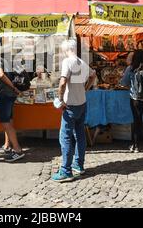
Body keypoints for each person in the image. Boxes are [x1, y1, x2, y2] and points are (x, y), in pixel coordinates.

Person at [51, 39, 96, 183]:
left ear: (65, 50)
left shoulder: (67, 62)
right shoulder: (81, 62)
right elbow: (93, 75)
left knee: (65, 137)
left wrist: (60, 99)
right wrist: (85, 88)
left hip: (70, 104)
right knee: (80, 134)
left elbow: (63, 82)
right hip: (81, 103)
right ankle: (78, 164)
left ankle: (66, 171)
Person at [120, 50, 143, 153]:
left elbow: (124, 83)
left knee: (136, 121)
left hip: (135, 98)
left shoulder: (130, 69)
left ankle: (135, 146)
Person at [0, 55, 25, 162]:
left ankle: (18, 150)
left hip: (5, 95)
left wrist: (13, 87)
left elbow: (1, 75)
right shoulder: (4, 61)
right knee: (9, 121)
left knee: (6, 123)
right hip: (9, 95)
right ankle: (7, 145)